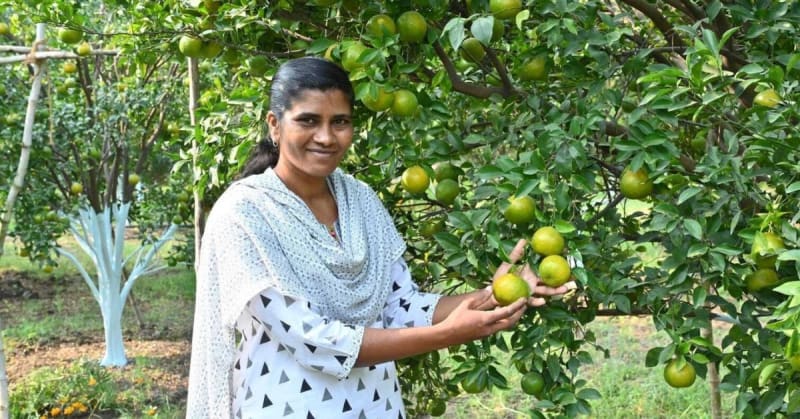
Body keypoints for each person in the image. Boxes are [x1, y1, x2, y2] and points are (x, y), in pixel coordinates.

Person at [186, 56, 573, 419]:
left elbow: (400, 306)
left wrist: (493, 294)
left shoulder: (361, 200)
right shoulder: (245, 212)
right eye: (307, 121)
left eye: (339, 122)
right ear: (274, 124)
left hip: (376, 405)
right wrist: (445, 335)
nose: (326, 137)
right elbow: (313, 340)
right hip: (286, 406)